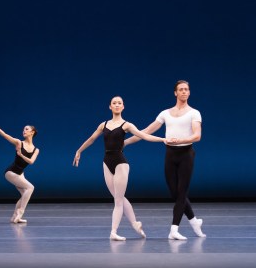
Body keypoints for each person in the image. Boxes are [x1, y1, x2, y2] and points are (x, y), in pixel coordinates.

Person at [73, 96, 167, 241]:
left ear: (123, 107)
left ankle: (113, 232)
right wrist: (79, 151)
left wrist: (162, 139)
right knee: (119, 198)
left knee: (118, 201)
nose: (117, 105)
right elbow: (92, 139)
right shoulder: (103, 125)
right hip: (106, 162)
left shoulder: (126, 125)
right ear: (110, 107)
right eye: (114, 103)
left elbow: (143, 135)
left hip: (120, 163)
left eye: (119, 103)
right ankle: (135, 223)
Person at [124, 80, 206, 240]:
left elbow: (197, 136)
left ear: (189, 93)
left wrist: (180, 141)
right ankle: (195, 221)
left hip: (186, 154)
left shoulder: (194, 113)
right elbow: (146, 131)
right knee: (175, 193)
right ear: (175, 93)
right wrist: (126, 142)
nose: (184, 92)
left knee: (182, 192)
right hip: (170, 154)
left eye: (186, 89)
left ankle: (174, 230)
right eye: (181, 89)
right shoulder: (165, 114)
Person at [0, 113, 39, 224]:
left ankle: (14, 217)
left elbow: (31, 162)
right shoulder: (18, 143)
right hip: (11, 172)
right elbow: (4, 135)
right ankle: (19, 214)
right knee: (30, 188)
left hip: (20, 173)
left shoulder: (36, 149)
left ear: (32, 132)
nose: (24, 131)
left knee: (25, 194)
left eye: (26, 129)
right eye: (23, 129)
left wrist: (21, 155)